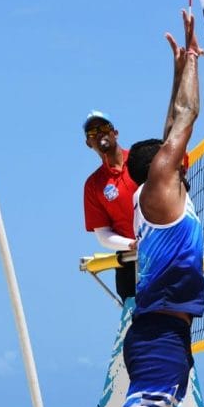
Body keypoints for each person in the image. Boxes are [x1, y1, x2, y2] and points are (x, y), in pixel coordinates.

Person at [97, 9, 204, 407]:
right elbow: (184, 118)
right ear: (161, 165)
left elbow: (173, 119)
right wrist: (191, 57)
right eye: (169, 150)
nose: (176, 150)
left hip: (163, 332)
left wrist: (174, 70)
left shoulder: (160, 192)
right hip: (161, 332)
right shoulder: (162, 186)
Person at [83, 110, 138, 301]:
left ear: (115, 132)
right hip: (130, 262)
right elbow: (103, 234)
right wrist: (132, 244)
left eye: (104, 128)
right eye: (92, 133)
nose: (99, 134)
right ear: (88, 144)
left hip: (162, 252)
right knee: (136, 327)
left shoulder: (141, 159)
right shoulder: (93, 185)